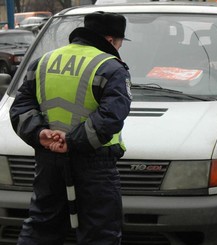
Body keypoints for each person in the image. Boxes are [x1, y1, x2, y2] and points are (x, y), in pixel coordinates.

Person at [9, 11, 132, 245]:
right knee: (99, 234)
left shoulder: (44, 61)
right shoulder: (111, 67)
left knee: (41, 226)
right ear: (109, 40)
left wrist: (40, 133)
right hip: (94, 163)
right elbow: (110, 117)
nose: (120, 47)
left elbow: (21, 106)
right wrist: (72, 142)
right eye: (120, 42)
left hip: (48, 158)